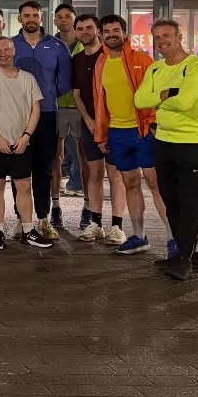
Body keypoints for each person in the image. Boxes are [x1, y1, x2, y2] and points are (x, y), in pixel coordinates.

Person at [134, 19, 198, 280]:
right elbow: (139, 100)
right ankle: (186, 255)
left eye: (167, 35)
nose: (161, 41)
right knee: (171, 201)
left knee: (190, 203)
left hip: (192, 143)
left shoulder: (197, 67)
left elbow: (186, 102)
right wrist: (167, 94)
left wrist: (162, 98)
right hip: (163, 142)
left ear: (180, 36)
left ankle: (184, 258)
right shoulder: (155, 69)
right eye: (156, 37)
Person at [91, 14, 169, 256]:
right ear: (102, 34)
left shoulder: (143, 60)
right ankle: (138, 236)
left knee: (156, 184)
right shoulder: (101, 63)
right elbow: (99, 101)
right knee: (130, 183)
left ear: (125, 33)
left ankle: (173, 238)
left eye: (116, 29)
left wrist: (153, 123)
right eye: (107, 30)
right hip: (117, 132)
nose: (112, 34)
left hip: (143, 130)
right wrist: (101, 133)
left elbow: (156, 95)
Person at [0, 37, 48, 250]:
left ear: (13, 50)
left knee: (24, 185)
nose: (3, 54)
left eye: (6, 49)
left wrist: (26, 136)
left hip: (21, 142)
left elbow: (36, 109)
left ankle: (28, 230)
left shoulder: (28, 78)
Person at [10, 1, 73, 240]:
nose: (31, 19)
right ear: (19, 19)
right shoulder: (11, 45)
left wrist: (43, 96)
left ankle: (43, 218)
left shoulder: (57, 47)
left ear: (41, 17)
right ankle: (20, 219)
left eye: (35, 15)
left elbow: (65, 80)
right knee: (19, 168)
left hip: (47, 113)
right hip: (17, 115)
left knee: (44, 168)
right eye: (26, 15)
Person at [70, 15, 114, 244]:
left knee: (116, 177)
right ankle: (95, 223)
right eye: (81, 28)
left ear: (98, 31)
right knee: (94, 174)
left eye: (89, 28)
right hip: (89, 125)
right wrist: (88, 120)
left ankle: (117, 226)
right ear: (76, 32)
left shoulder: (110, 56)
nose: (85, 31)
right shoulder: (76, 59)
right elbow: (76, 95)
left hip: (115, 125)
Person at [51, 3, 84, 224]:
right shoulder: (49, 45)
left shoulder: (87, 43)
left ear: (74, 19)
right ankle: (55, 207)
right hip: (56, 106)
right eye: (59, 16)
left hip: (83, 107)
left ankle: (89, 208)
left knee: (85, 158)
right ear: (55, 21)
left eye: (67, 16)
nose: (63, 20)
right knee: (56, 156)